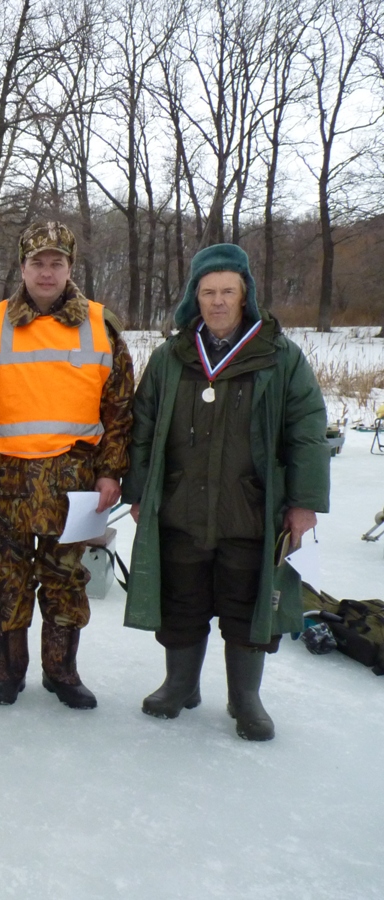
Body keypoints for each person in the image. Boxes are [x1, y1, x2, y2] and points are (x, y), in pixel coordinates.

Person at [121, 243, 329, 741]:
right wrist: (138, 490)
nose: (217, 301)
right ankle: (179, 685)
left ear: (245, 295)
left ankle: (245, 698)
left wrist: (303, 503)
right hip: (180, 506)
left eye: (227, 291)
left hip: (251, 510)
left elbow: (307, 430)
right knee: (182, 601)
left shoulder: (279, 356)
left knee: (246, 605)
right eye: (208, 291)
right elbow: (142, 426)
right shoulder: (172, 357)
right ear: (195, 296)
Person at [0, 222, 134, 710]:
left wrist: (111, 471)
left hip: (75, 485)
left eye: (57, 262)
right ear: (22, 267)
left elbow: (119, 411)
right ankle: (8, 672)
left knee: (67, 579)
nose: (47, 272)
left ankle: (63, 672)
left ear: (71, 267)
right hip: (4, 481)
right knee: (7, 577)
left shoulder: (102, 326)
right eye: (38, 262)